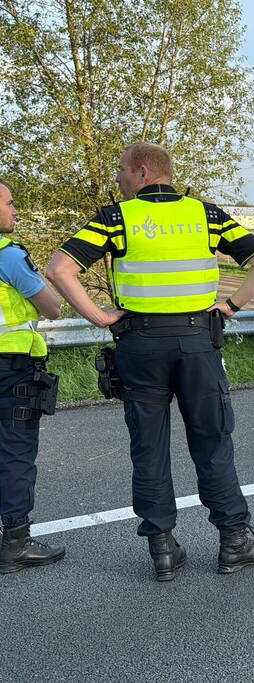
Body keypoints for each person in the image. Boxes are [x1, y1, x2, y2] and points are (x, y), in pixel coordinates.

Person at [46, 143, 254, 581]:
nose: (117, 177)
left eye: (120, 170)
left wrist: (98, 317)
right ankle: (234, 541)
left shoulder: (117, 217)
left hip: (140, 345)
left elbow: (60, 269)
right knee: (212, 441)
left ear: (141, 170)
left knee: (148, 447)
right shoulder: (207, 215)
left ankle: (163, 549)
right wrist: (230, 305)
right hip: (197, 343)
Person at [0, 181, 66, 573]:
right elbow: (53, 307)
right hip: (9, 370)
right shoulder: (7, 256)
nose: (16, 211)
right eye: (9, 203)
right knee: (14, 453)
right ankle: (16, 543)